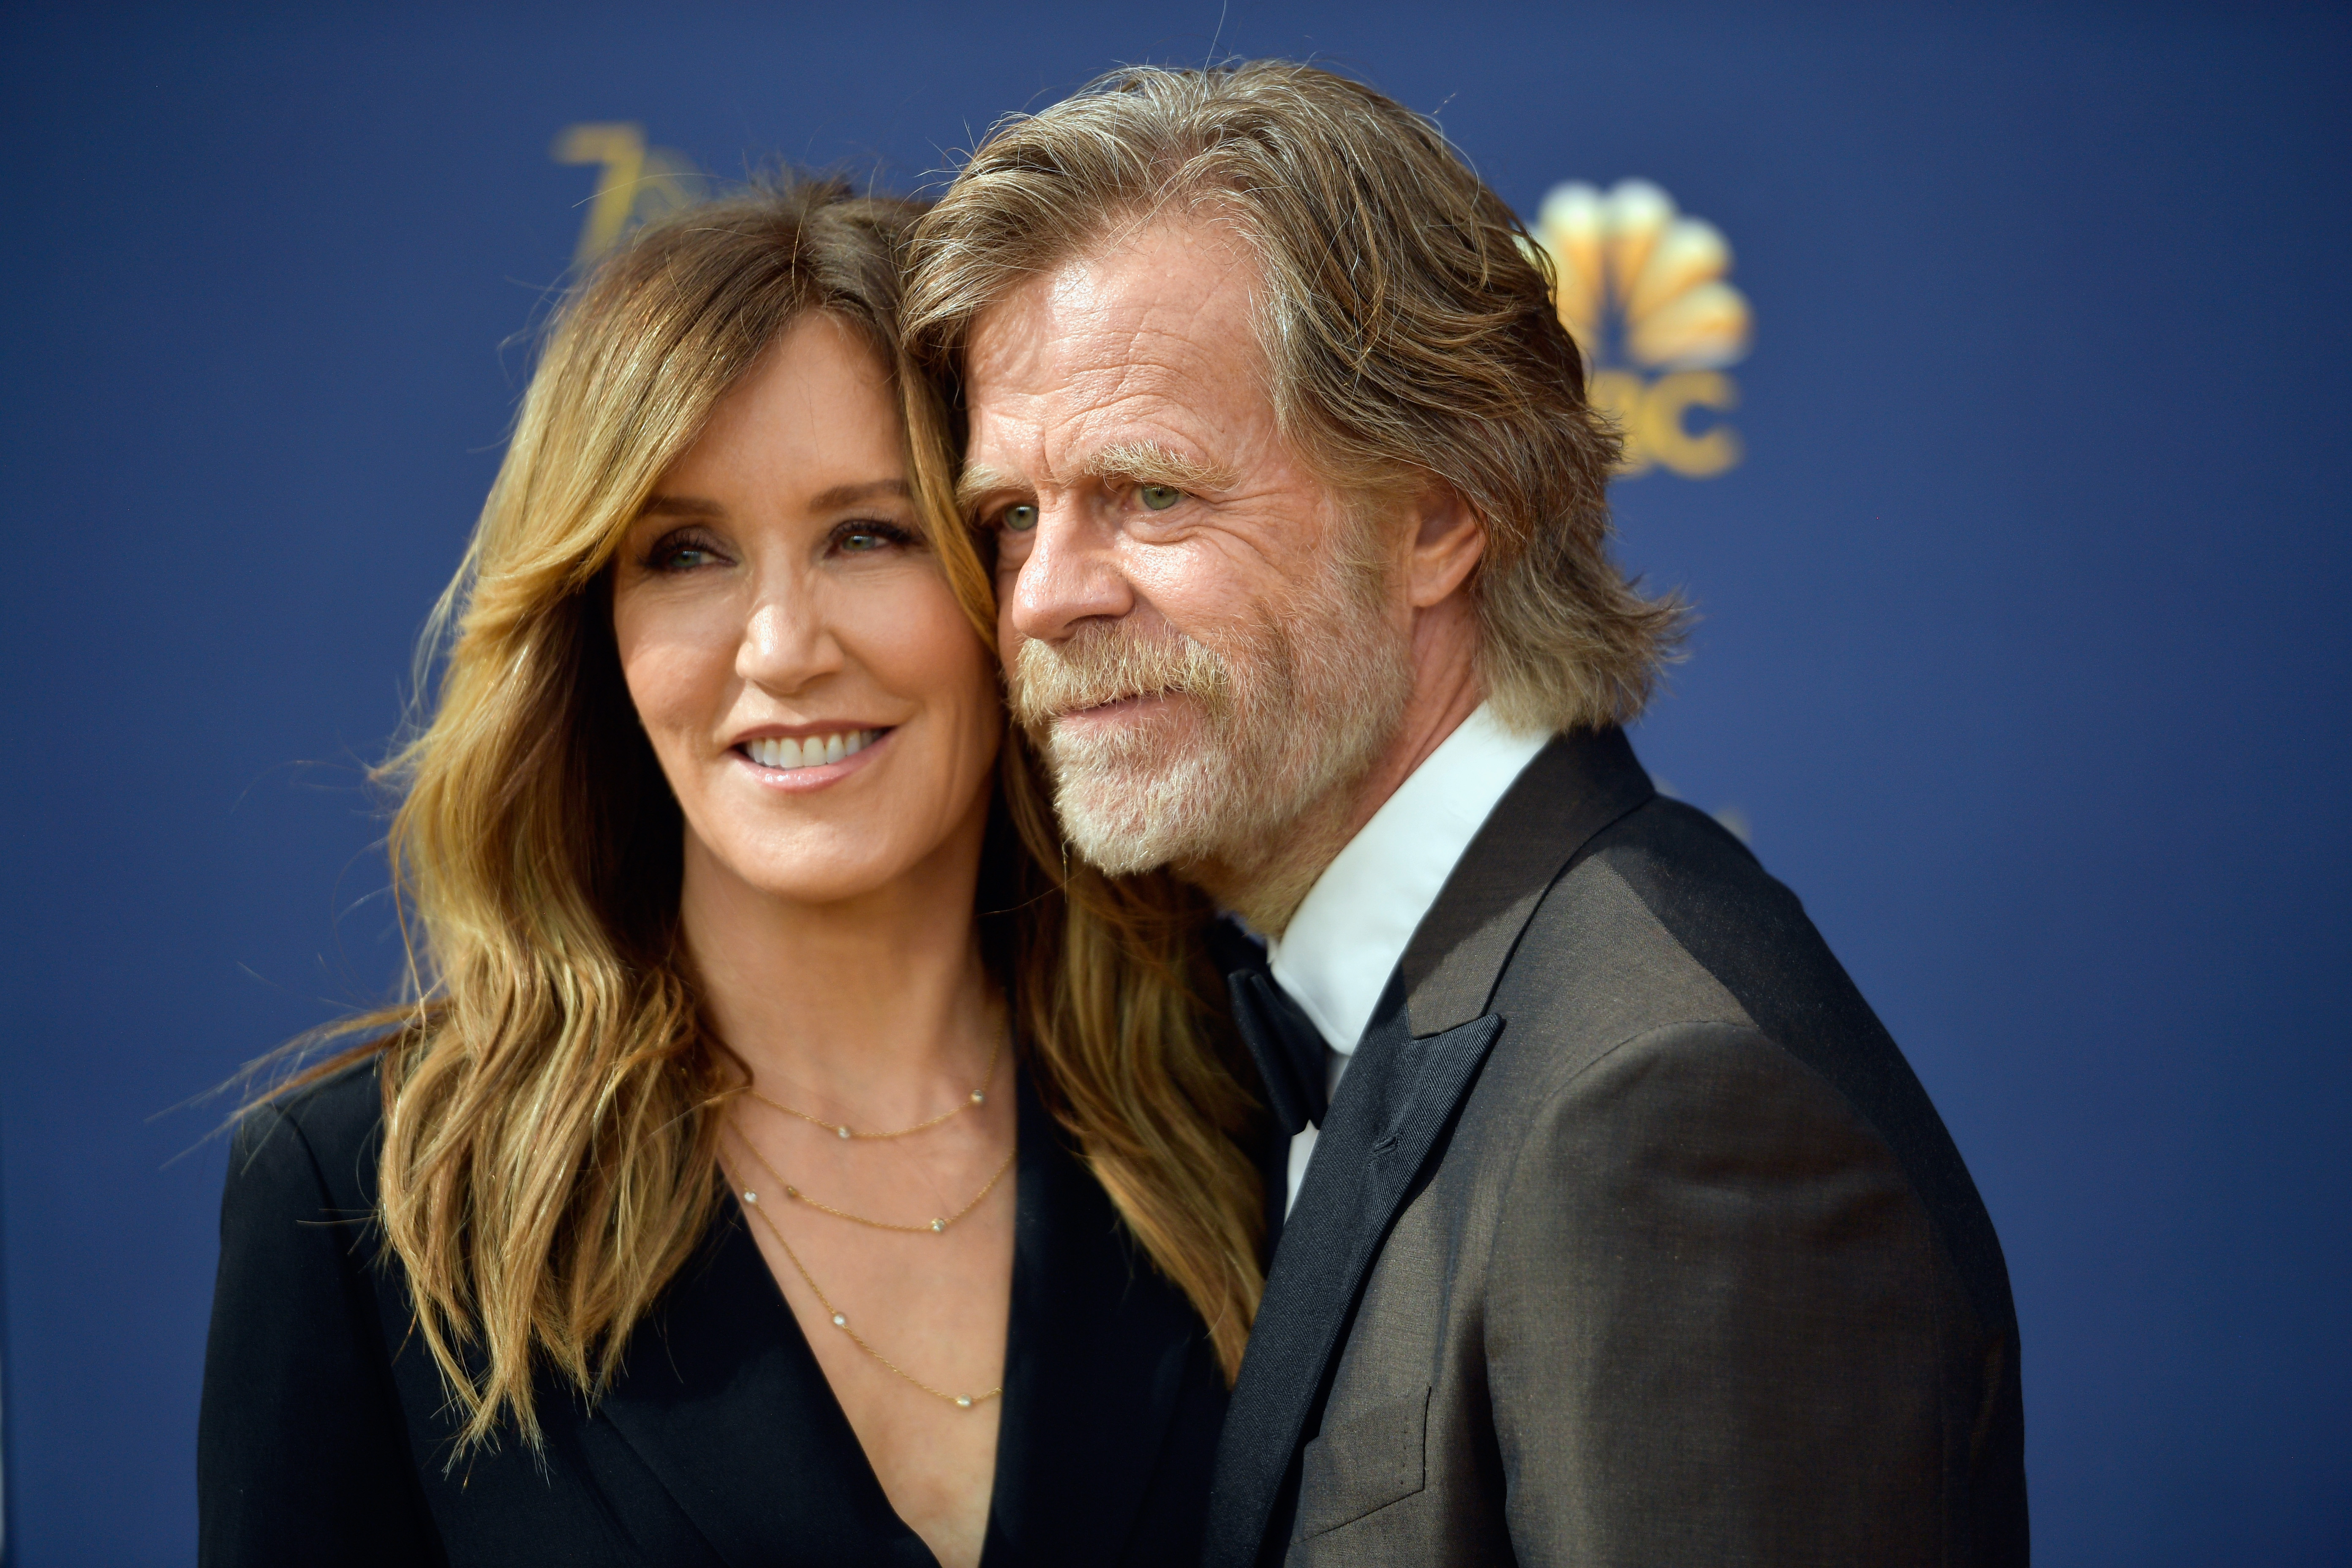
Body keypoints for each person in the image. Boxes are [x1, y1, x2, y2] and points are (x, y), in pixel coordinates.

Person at [906, 62, 2030, 1566]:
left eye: (1152, 494)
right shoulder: (1409, 1013)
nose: (1046, 596)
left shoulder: (1668, 1113)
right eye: (1013, 518)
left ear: (1437, 514)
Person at [197, 181, 1266, 1568]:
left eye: (868, 533)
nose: (780, 646)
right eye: (686, 554)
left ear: (1005, 579)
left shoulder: (1254, 1109)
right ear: (599, 632)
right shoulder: (372, 1203)